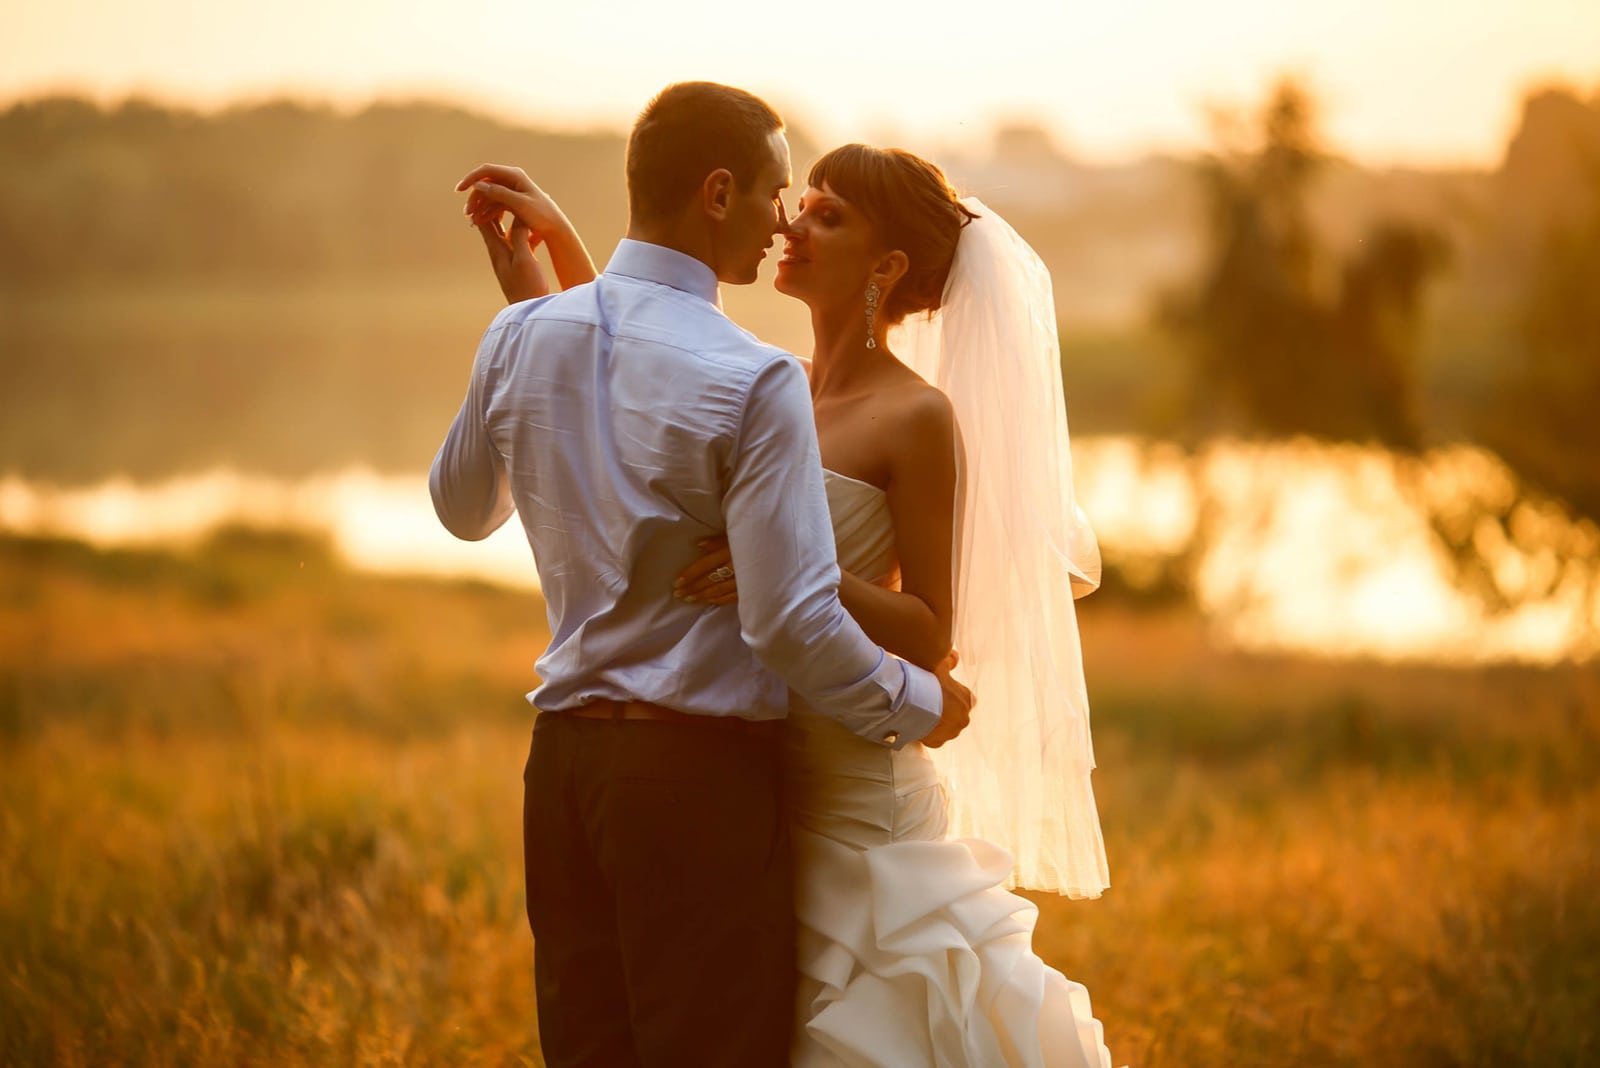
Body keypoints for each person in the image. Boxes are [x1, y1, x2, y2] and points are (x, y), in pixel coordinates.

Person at [465, 133, 1118, 1066]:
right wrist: (561, 251)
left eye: (828, 216)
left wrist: (788, 567)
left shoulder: (915, 416)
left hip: (854, 792)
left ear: (886, 268)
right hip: (753, 780)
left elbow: (933, 631)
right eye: (801, 203)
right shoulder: (770, 383)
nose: (792, 226)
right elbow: (632, 360)